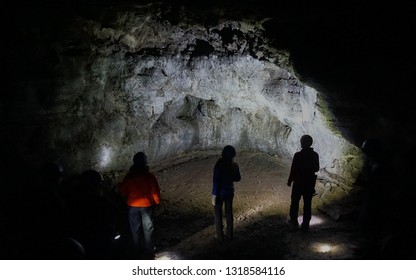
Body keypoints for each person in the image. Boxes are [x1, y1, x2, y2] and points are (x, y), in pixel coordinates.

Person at [118, 152, 161, 259]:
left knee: (134, 228)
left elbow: (123, 191)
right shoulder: (149, 177)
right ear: (145, 162)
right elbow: (155, 192)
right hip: (146, 205)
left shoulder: (129, 177)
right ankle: (148, 249)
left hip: (132, 205)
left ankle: (136, 249)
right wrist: (157, 202)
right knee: (148, 228)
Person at [287, 135, 320, 232]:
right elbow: (317, 168)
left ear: (301, 143)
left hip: (298, 182)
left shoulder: (298, 155)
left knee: (294, 202)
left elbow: (293, 169)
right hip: (309, 183)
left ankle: (294, 221)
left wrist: (290, 180)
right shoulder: (315, 155)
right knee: (307, 204)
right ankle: (305, 224)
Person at [212, 145, 241, 242]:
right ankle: (230, 234)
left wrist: (214, 194)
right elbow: (238, 178)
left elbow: (216, 180)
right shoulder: (234, 165)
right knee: (229, 213)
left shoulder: (219, 164)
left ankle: (220, 235)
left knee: (218, 213)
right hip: (230, 191)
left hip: (220, 193)